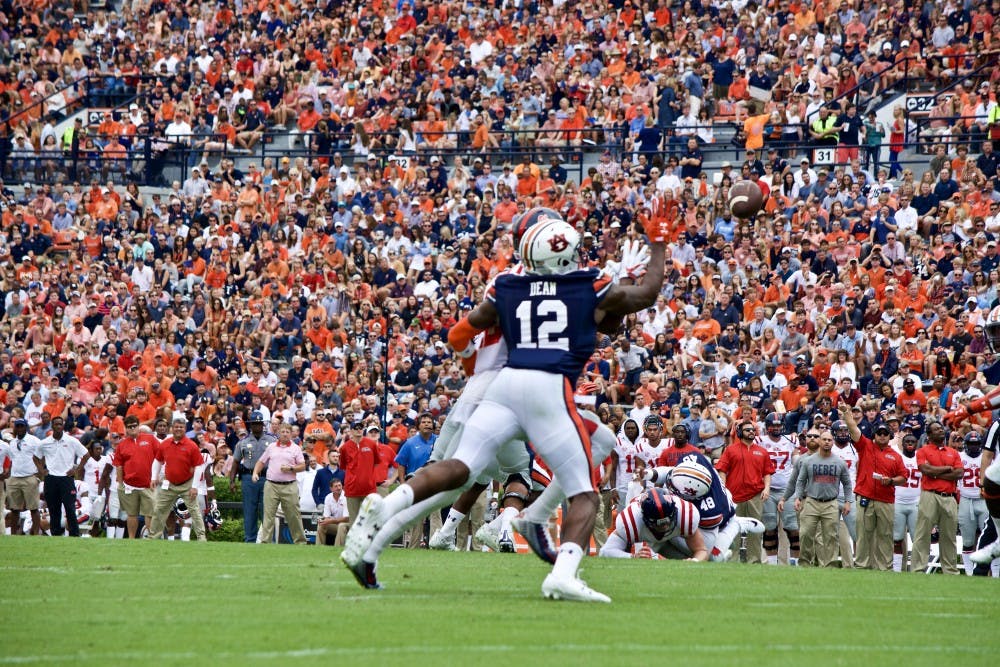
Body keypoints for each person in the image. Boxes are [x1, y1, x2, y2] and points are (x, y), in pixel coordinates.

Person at [344, 213, 667, 601]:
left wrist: (471, 363)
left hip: (503, 386)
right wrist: (642, 261)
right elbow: (633, 301)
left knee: (462, 470)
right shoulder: (586, 283)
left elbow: (467, 327)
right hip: (541, 390)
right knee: (584, 491)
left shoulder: (507, 284)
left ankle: (402, 508)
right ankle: (557, 560)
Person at [645, 456, 766, 561]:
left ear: (691, 494)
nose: (669, 486)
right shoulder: (693, 474)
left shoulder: (710, 511)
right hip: (711, 509)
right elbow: (670, 472)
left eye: (674, 487)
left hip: (719, 521)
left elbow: (703, 550)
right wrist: (649, 474)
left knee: (711, 557)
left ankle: (737, 524)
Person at [835, 410, 907, 571]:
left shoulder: (895, 456)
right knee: (863, 534)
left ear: (890, 436)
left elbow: (903, 477)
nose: (882, 436)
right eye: (879, 433)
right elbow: (854, 429)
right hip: (865, 497)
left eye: (885, 434)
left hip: (886, 500)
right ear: (874, 435)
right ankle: (862, 566)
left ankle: (885, 567)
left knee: (886, 535)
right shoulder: (865, 446)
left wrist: (891, 481)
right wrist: (847, 414)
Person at [790, 430, 854, 567]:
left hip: (831, 502)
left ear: (833, 442)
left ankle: (830, 564)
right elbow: (800, 481)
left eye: (829, 440)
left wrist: (848, 501)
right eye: (824, 439)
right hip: (811, 501)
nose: (826, 442)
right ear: (820, 441)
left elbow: (848, 484)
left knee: (831, 536)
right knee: (806, 533)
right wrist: (798, 498)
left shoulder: (839, 462)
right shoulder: (808, 461)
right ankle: (805, 562)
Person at [716, 420, 776, 563]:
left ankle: (754, 560)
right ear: (739, 432)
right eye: (747, 429)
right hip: (734, 496)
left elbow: (767, 472)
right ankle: (733, 559)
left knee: (755, 530)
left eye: (753, 429)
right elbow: (722, 469)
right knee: (733, 530)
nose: (751, 432)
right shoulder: (730, 450)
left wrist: (767, 488)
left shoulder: (762, 451)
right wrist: (723, 489)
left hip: (755, 495)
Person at [909, 421, 963, 574]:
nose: (941, 430)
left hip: (949, 497)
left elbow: (959, 473)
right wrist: (947, 469)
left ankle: (950, 570)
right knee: (922, 533)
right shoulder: (923, 451)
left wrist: (935, 472)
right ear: (930, 434)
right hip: (929, 495)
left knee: (949, 536)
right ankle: (918, 570)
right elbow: (925, 470)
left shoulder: (953, 452)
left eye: (941, 428)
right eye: (936, 429)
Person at [599, 487, 708, 560]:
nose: (665, 527)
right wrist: (633, 556)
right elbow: (605, 552)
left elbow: (702, 550)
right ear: (644, 518)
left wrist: (694, 561)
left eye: (667, 521)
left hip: (674, 538)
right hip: (647, 541)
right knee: (645, 560)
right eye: (659, 524)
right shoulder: (631, 521)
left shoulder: (685, 515)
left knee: (705, 557)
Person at [148, 419, 207, 541]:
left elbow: (199, 466)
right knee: (159, 509)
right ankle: (153, 536)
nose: (178, 429)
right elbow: (158, 461)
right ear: (172, 428)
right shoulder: (165, 444)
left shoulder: (191, 445)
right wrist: (154, 477)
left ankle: (201, 537)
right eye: (176, 427)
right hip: (168, 483)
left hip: (187, 483)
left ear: (185, 429)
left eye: (181, 427)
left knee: (194, 510)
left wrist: (195, 486)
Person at [755, 412, 801, 565]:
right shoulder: (759, 440)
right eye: (773, 425)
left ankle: (794, 561)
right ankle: (772, 562)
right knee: (769, 527)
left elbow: (796, 459)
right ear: (767, 427)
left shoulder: (791, 440)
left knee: (792, 527)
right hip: (767, 488)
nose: (776, 428)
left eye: (779, 425)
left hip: (786, 490)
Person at [252, 422, 307, 545]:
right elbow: (261, 462)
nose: (285, 434)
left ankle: (301, 542)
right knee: (268, 515)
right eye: (283, 432)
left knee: (294, 515)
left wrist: (291, 469)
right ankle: (265, 542)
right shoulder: (271, 447)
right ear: (278, 433)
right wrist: (255, 473)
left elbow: (303, 466)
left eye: (288, 432)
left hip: (289, 485)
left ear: (291, 434)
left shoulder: (296, 448)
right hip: (271, 485)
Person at [37, 416, 88, 537]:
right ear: (52, 426)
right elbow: (36, 457)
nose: (58, 426)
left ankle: (74, 535)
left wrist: (76, 469)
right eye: (56, 424)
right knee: (54, 509)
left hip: (66, 478)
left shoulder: (71, 440)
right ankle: (55, 535)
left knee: (70, 508)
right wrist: (41, 471)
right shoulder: (45, 442)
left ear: (63, 426)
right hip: (51, 478)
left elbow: (86, 455)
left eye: (60, 424)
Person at [230, 411, 275, 542]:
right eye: (254, 424)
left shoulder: (272, 440)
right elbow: (235, 462)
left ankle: (268, 540)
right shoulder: (243, 442)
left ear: (263, 425)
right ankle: (250, 539)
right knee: (249, 511)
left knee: (267, 510)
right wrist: (232, 481)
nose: (257, 426)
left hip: (266, 478)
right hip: (248, 478)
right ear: (250, 425)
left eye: (259, 424)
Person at [112, 416, 159, 538]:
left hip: (148, 484)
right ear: (126, 429)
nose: (132, 428)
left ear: (139, 426)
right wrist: (121, 484)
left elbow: (160, 458)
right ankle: (132, 539)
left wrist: (157, 476)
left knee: (150, 513)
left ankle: (151, 538)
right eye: (129, 427)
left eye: (134, 425)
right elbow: (119, 466)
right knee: (131, 514)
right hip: (129, 485)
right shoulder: (121, 445)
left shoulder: (150, 439)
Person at [5, 419, 43, 535]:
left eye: (22, 426)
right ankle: (13, 534)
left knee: (33, 508)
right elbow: (12, 460)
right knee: (14, 508)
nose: (20, 429)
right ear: (15, 428)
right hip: (14, 478)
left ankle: (36, 533)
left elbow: (42, 455)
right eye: (18, 426)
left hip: (29, 477)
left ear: (26, 427)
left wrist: (40, 471)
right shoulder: (12, 443)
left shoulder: (34, 441)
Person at [339, 423, 382, 525]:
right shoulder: (344, 447)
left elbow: (376, 462)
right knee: (353, 521)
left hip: (369, 488)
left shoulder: (371, 444)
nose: (359, 430)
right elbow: (344, 466)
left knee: (369, 520)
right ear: (351, 431)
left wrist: (367, 476)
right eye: (356, 428)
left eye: (361, 428)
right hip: (351, 489)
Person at [958, 432, 988, 575]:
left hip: (983, 500)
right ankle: (969, 572)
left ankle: (993, 572)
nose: (974, 447)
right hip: (965, 499)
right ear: (966, 445)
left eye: (976, 444)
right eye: (971, 444)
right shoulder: (960, 457)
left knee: (988, 539)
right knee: (968, 540)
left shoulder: (987, 457)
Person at [892, 433, 922, 572]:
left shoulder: (921, 458)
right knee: (897, 537)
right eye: (907, 441)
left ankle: (916, 568)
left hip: (915, 502)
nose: (910, 444)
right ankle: (897, 568)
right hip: (898, 501)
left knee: (917, 538)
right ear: (902, 444)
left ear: (917, 443)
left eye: (913, 441)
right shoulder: (897, 458)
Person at [315, 479, 350, 546]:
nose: (339, 488)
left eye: (340, 485)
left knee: (341, 525)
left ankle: (336, 548)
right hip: (335, 523)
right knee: (321, 524)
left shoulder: (346, 497)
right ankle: (319, 548)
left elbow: (346, 518)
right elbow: (326, 517)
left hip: (348, 524)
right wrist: (323, 520)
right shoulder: (328, 497)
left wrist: (330, 521)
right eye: (336, 486)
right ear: (331, 489)